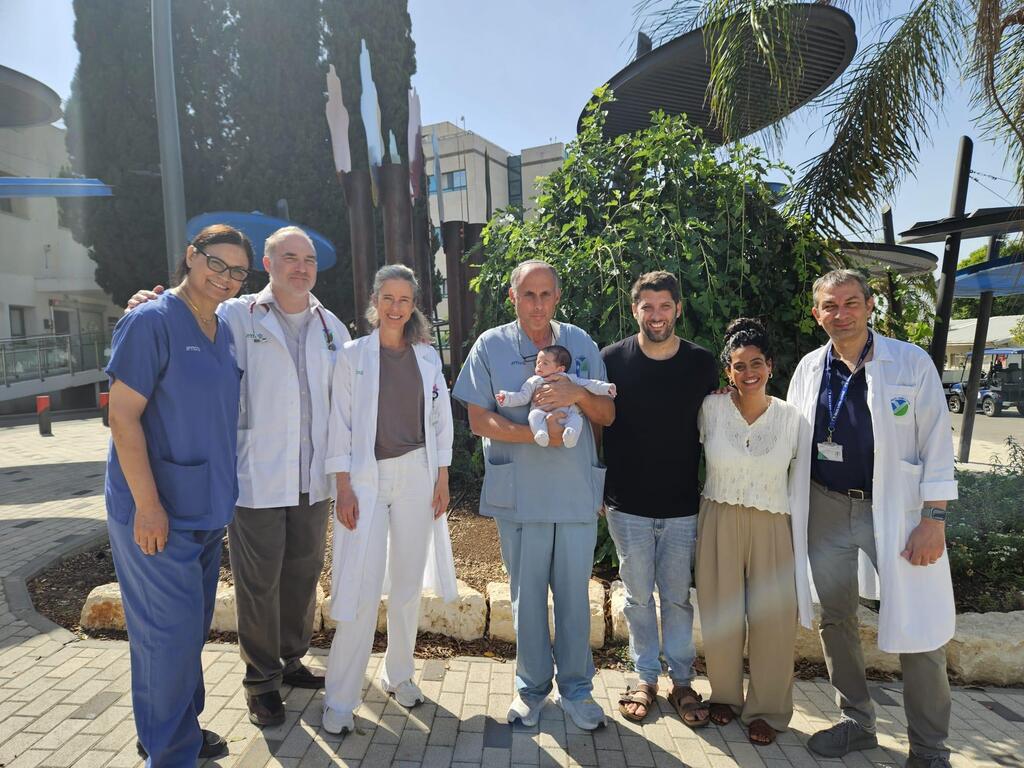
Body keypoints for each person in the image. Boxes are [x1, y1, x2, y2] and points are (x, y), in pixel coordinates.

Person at [126, 226, 351, 727]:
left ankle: (291, 659)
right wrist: (146, 302)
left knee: (302, 574)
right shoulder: (233, 314)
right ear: (267, 265)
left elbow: (348, 402)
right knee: (258, 583)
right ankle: (261, 682)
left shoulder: (332, 325)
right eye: (289, 257)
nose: (301, 267)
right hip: (256, 476)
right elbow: (184, 318)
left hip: (312, 479)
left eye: (309, 259)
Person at [787, 269, 957, 768]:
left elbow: (937, 445)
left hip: (898, 513)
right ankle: (856, 722)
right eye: (829, 306)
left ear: (869, 305)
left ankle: (930, 749)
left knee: (919, 623)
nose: (841, 314)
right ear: (817, 314)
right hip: (825, 505)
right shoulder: (808, 369)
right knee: (836, 617)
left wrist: (934, 518)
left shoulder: (910, 362)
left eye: (850, 303)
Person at [105, 224, 253, 765]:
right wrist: (147, 506)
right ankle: (169, 752)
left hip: (205, 508)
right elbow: (121, 417)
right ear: (191, 256)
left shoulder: (222, 327)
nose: (226, 277)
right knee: (164, 640)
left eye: (238, 271)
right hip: (156, 511)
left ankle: (177, 730)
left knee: (187, 633)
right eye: (216, 262)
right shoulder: (150, 321)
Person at [453, 260, 615, 730]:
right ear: (512, 298)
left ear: (557, 297)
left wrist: (576, 396)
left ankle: (579, 692)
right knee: (526, 599)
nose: (538, 304)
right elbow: (478, 420)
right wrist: (533, 435)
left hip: (572, 493)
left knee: (572, 597)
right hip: (520, 493)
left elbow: (606, 414)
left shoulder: (580, 343)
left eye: (546, 294)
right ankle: (531, 690)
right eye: (528, 294)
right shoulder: (491, 346)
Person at [321, 264, 457, 736]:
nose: (396, 307)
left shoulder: (426, 357)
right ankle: (340, 697)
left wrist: (442, 477)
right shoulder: (352, 356)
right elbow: (338, 424)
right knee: (359, 587)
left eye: (405, 299)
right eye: (388, 298)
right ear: (374, 302)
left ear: (413, 304)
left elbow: (441, 420)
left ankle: (398, 674)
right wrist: (342, 486)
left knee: (405, 586)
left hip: (417, 476)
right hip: (365, 480)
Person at [600, 271, 717, 726]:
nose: (656, 315)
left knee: (676, 598)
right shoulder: (613, 360)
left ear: (678, 310)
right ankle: (644, 677)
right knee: (636, 598)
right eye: (647, 306)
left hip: (682, 503)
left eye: (664, 306)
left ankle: (682, 681)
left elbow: (718, 415)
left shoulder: (701, 363)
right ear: (635, 311)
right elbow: (597, 419)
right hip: (626, 503)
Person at [695, 318, 803, 746]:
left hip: (773, 522)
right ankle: (724, 695)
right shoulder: (710, 408)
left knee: (773, 620)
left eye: (755, 363)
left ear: (771, 366)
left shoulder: (793, 418)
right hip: (718, 515)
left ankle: (768, 710)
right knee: (720, 611)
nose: (748, 372)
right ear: (728, 372)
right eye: (738, 366)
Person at [496, 344, 616, 448]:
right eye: (537, 363)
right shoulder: (534, 381)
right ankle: (541, 433)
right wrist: (506, 398)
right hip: (542, 413)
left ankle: (571, 435)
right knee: (533, 415)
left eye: (545, 363)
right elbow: (523, 396)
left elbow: (589, 384)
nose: (539, 366)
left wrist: (606, 388)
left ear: (560, 369)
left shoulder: (569, 378)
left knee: (576, 419)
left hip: (567, 413)